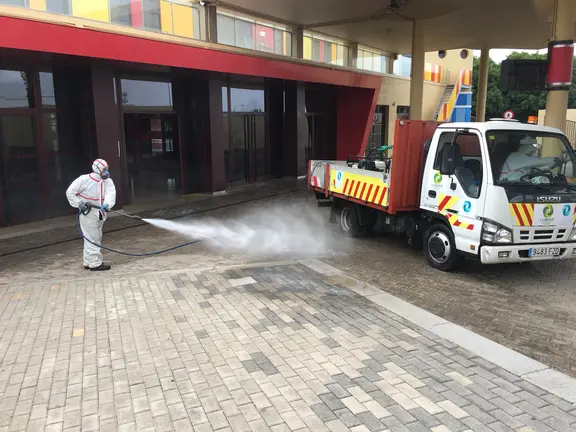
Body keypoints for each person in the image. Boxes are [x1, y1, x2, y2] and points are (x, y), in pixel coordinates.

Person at [66, 159, 116, 271]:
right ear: (97, 169)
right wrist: (79, 203)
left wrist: (107, 204)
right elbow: (70, 192)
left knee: (91, 237)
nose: (106, 172)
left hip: (100, 213)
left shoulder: (108, 182)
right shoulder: (84, 180)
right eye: (104, 169)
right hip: (88, 213)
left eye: (107, 169)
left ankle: (88, 261)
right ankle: (95, 263)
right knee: (93, 237)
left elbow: (110, 194)